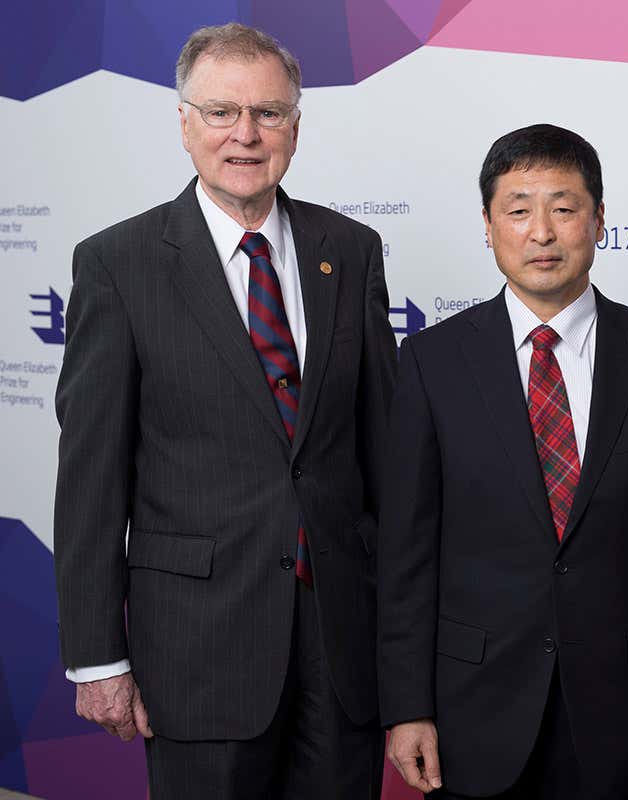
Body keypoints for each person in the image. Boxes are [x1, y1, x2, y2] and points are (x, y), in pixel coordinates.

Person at [53, 22, 396, 798]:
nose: (246, 134)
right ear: (183, 124)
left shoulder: (354, 249)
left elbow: (381, 454)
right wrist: (100, 657)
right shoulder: (118, 264)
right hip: (199, 648)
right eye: (220, 112)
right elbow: (90, 480)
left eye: (269, 114)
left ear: (296, 129)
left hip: (343, 643)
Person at [378, 123, 628, 799]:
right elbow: (406, 554)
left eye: (564, 206)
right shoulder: (433, 363)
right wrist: (408, 706)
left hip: (623, 706)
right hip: (472, 707)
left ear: (600, 219)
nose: (542, 233)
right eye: (519, 209)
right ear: (489, 225)